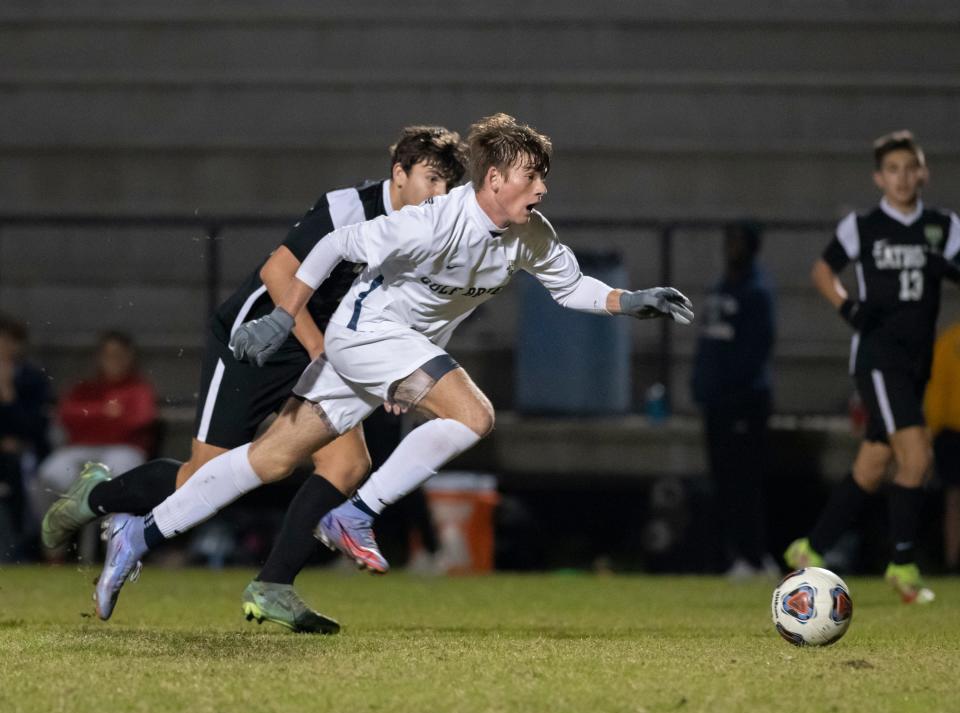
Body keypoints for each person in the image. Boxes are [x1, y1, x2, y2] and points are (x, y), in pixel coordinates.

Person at [92, 113, 694, 622]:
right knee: (474, 414)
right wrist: (284, 317)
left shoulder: (528, 234)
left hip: (393, 350)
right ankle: (355, 514)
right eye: (532, 176)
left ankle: (136, 535)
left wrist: (630, 301)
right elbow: (334, 245)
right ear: (495, 178)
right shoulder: (434, 219)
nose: (542, 189)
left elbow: (570, 287)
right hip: (364, 336)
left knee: (270, 459)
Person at [43, 125, 467, 631]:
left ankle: (274, 585)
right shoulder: (346, 207)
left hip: (326, 350)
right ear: (399, 173)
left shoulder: (428, 227)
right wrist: (317, 348)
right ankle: (96, 497)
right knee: (203, 475)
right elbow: (277, 274)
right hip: (257, 340)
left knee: (348, 464)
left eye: (448, 184)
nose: (439, 194)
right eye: (432, 179)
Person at [784, 130, 960, 603]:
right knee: (918, 457)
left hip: (915, 361)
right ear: (879, 178)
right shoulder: (862, 226)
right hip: (878, 358)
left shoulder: (944, 226)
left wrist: (949, 269)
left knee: (873, 464)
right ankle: (902, 565)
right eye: (893, 170)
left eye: (911, 168)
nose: (903, 178)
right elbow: (823, 271)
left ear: (923, 173)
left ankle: (809, 547)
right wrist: (848, 308)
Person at [691, 221, 776, 580]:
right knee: (723, 481)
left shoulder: (756, 292)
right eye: (729, 241)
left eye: (738, 242)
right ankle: (735, 555)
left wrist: (730, 387)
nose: (731, 248)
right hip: (717, 403)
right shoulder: (720, 288)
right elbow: (709, 343)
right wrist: (699, 383)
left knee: (745, 482)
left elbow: (757, 349)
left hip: (744, 401)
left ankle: (754, 557)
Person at [31, 331, 156, 558]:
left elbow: (139, 420)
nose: (113, 361)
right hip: (79, 449)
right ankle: (53, 551)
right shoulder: (85, 388)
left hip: (123, 448)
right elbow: (66, 415)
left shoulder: (138, 388)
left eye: (119, 355)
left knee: (120, 479)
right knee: (49, 475)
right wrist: (106, 413)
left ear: (130, 357)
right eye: (108, 355)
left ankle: (117, 554)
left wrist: (93, 417)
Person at [0, 314, 51, 561]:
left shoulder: (31, 379)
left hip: (24, 452)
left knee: (16, 468)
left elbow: (32, 428)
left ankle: (21, 546)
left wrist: (8, 394)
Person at [924, 321, 960, 572]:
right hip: (952, 433)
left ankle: (952, 561)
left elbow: (936, 393)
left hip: (950, 433)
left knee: (954, 501)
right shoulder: (948, 342)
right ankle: (951, 561)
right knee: (954, 501)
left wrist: (933, 431)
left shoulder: (949, 341)